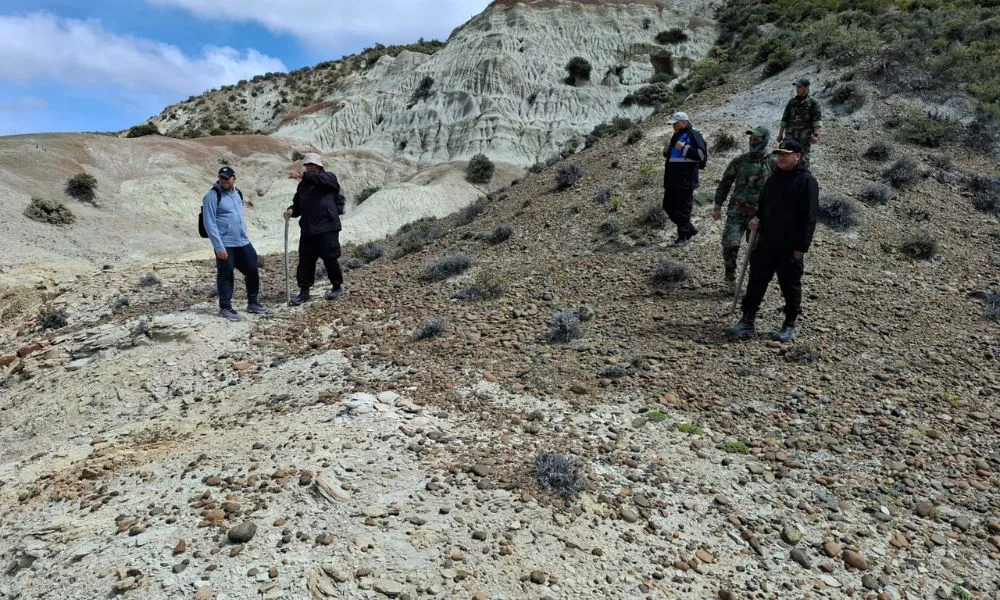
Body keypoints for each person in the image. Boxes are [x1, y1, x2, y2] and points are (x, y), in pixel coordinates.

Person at [727, 140, 818, 343]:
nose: (781, 157)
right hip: (766, 242)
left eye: (786, 154)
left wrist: (801, 247)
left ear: (798, 156)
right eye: (779, 154)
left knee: (790, 285)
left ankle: (789, 324)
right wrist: (756, 218)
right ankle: (747, 320)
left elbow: (809, 217)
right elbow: (763, 206)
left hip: (790, 246)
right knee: (756, 282)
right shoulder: (774, 179)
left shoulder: (806, 181)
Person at [712, 126, 776, 291]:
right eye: (751, 139)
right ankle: (730, 279)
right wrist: (718, 205)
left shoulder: (772, 162)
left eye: (757, 139)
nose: (753, 142)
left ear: (765, 140)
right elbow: (725, 183)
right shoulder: (739, 161)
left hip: (759, 215)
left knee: (756, 251)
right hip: (736, 211)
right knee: (730, 243)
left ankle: (753, 284)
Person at [202, 165, 270, 321]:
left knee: (253, 268)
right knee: (226, 274)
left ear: (234, 178)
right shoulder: (212, 196)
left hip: (242, 241)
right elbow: (209, 223)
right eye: (221, 178)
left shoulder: (237, 193)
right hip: (225, 243)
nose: (224, 181)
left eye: (227, 178)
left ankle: (253, 303)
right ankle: (225, 307)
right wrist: (219, 247)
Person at [283, 153, 347, 306]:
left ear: (319, 166)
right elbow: (298, 205)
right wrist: (292, 210)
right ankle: (304, 291)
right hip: (308, 228)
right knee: (305, 260)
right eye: (307, 165)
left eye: (312, 165)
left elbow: (320, 179)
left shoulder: (328, 178)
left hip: (327, 226)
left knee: (330, 257)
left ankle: (337, 286)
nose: (310, 168)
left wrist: (302, 176)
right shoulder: (303, 186)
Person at [661, 111, 707, 248]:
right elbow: (675, 156)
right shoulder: (676, 136)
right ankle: (689, 229)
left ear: (684, 122)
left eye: (675, 124)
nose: (673, 126)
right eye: (673, 124)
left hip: (685, 181)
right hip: (671, 181)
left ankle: (683, 237)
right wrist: (666, 152)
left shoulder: (694, 135)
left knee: (683, 210)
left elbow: (701, 156)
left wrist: (685, 148)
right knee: (667, 206)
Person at [777, 78, 822, 169]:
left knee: (803, 158)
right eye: (796, 87)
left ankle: (803, 178)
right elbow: (785, 118)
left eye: (799, 87)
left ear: (806, 88)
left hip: (804, 136)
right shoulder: (792, 102)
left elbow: (816, 120)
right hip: (790, 134)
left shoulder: (813, 102)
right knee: (786, 155)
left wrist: (816, 135)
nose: (797, 89)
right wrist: (780, 134)